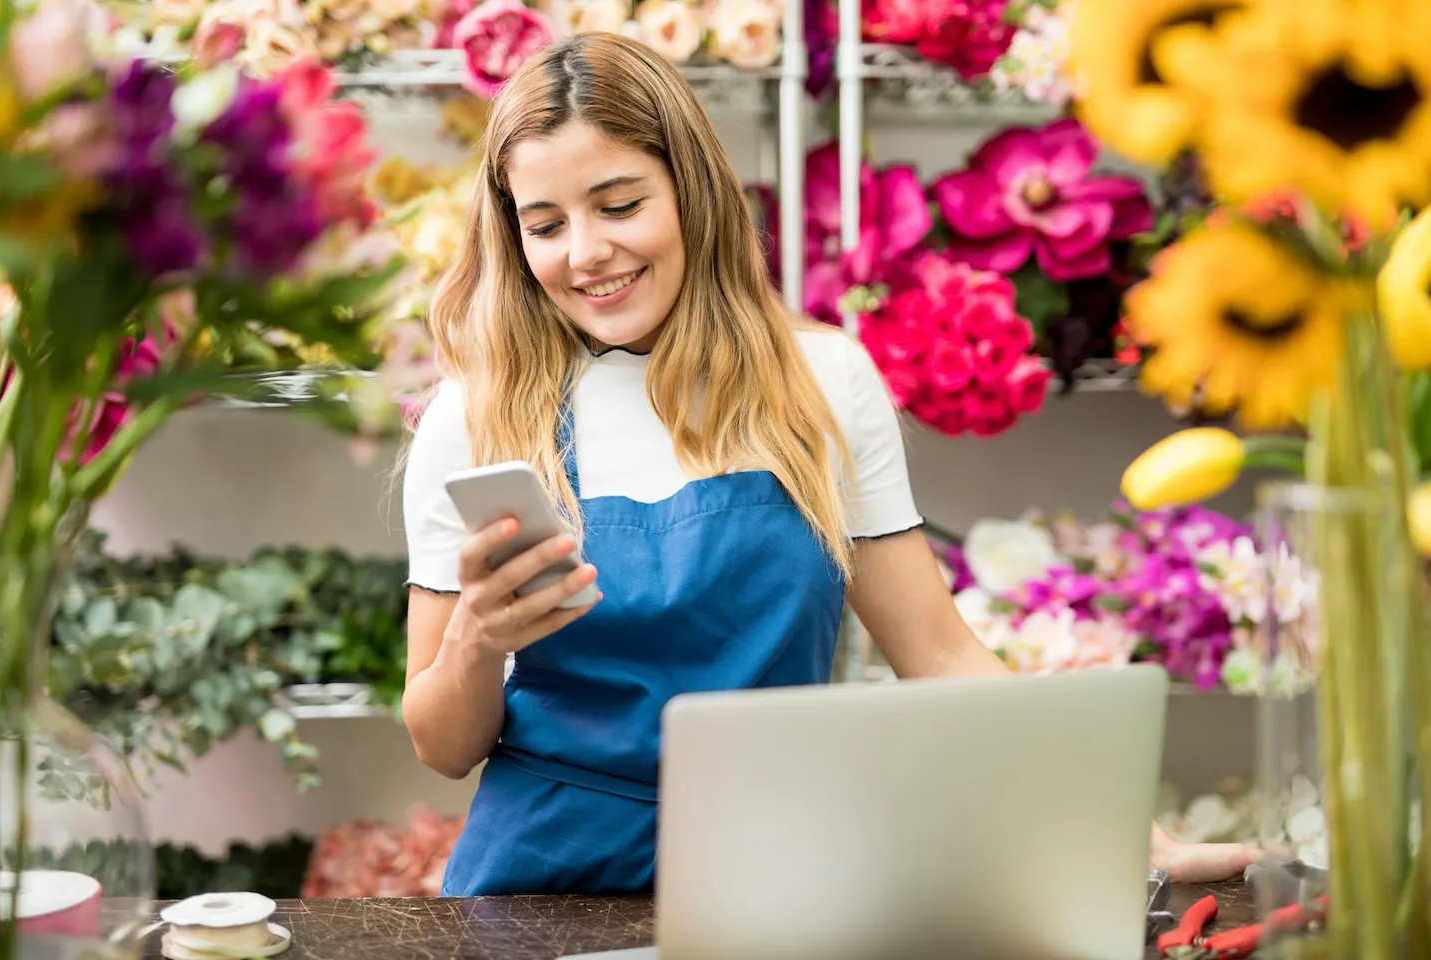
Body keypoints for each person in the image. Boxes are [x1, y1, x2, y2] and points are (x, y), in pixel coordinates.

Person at [400, 31, 1258, 897]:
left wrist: (1115, 824)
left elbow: (940, 656)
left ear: (692, 192)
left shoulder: (823, 384)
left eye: (619, 206)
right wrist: (476, 637)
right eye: (545, 224)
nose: (583, 253)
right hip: (539, 880)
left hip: (774, 869)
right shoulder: (474, 418)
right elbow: (441, 746)